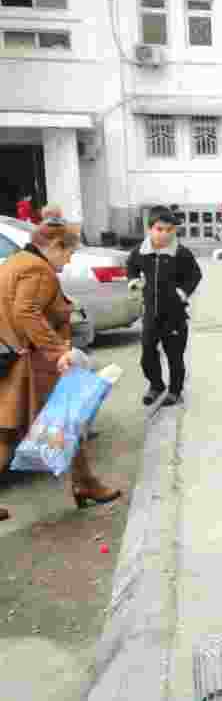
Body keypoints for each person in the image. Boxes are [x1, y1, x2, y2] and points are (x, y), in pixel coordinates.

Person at [0, 218, 121, 521]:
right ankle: (85, 483)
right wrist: (59, 351)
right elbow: (26, 311)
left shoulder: (16, 261)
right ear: (55, 246)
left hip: (17, 356)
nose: (68, 262)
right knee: (67, 418)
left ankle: (85, 482)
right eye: (69, 253)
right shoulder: (37, 269)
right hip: (34, 361)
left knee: (11, 429)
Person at [126, 206, 203, 408]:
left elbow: (195, 274)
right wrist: (133, 280)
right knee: (147, 354)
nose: (164, 234)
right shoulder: (141, 252)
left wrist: (182, 292)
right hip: (151, 314)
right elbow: (131, 265)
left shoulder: (181, 253)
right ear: (150, 229)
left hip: (175, 316)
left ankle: (175, 391)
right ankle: (156, 385)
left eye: (169, 230)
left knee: (174, 356)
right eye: (159, 229)